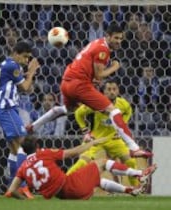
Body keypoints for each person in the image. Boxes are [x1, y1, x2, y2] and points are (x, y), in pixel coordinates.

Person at [26, 23, 152, 158]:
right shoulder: (103, 49)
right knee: (113, 110)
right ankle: (133, 147)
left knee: (68, 110)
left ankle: (33, 126)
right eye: (116, 38)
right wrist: (115, 67)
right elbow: (100, 75)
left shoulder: (96, 43)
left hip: (66, 82)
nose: (118, 41)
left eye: (121, 39)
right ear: (107, 36)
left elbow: (90, 70)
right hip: (79, 85)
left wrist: (92, 78)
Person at [5, 136, 157, 200]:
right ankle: (139, 174)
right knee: (102, 162)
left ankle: (131, 190)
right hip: (70, 186)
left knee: (95, 179)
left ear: (24, 151)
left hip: (64, 196)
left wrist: (25, 202)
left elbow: (11, 192)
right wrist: (93, 142)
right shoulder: (43, 154)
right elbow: (74, 153)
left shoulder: (23, 167)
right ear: (37, 146)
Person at [66, 80, 139, 186]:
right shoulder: (95, 102)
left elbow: (128, 111)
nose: (112, 92)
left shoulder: (123, 104)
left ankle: (136, 188)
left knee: (131, 162)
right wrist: (85, 131)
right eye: (108, 89)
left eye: (114, 89)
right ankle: (63, 183)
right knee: (82, 162)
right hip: (96, 140)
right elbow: (78, 113)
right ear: (103, 92)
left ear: (118, 91)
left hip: (114, 139)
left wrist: (122, 125)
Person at [0, 41, 40, 198]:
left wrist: (27, 76)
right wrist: (31, 72)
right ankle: (22, 186)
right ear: (16, 53)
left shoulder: (12, 66)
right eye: (25, 57)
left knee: (14, 149)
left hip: (6, 108)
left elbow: (26, 88)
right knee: (23, 145)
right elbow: (25, 88)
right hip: (6, 107)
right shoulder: (11, 66)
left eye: (28, 58)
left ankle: (11, 187)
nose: (27, 61)